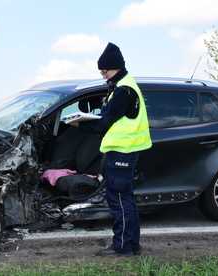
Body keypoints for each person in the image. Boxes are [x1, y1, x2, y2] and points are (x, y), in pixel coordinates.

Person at [73, 42, 152, 256]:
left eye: (104, 71)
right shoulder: (124, 85)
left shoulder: (124, 90)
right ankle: (131, 244)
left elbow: (104, 122)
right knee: (126, 199)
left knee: (118, 199)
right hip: (125, 150)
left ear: (115, 67)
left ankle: (123, 246)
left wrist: (80, 123)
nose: (103, 75)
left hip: (122, 151)